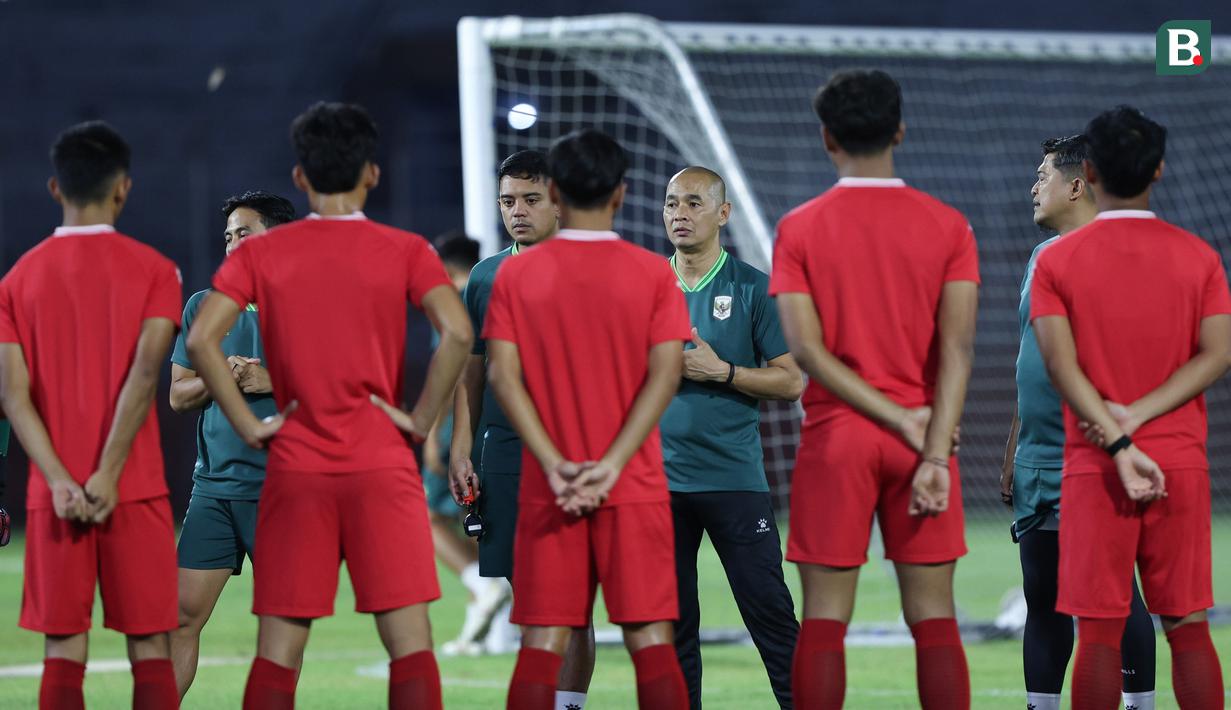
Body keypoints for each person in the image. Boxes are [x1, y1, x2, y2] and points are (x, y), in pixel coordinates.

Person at [184, 101, 472, 710]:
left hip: (296, 467)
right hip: (380, 464)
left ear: (300, 177)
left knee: (278, 648)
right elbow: (459, 334)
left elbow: (203, 338)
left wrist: (249, 425)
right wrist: (419, 421)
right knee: (410, 645)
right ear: (373, 172)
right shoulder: (404, 249)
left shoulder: (263, 255)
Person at [771, 69, 978, 709]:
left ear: (828, 138)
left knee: (827, 621)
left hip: (839, 440)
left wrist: (897, 419)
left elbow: (807, 351)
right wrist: (931, 441)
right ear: (900, 130)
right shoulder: (948, 225)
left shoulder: (800, 227)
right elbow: (957, 349)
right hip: (925, 436)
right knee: (935, 617)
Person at [486, 129, 691, 709]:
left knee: (542, 642)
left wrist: (555, 466)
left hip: (551, 489)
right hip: (634, 485)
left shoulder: (518, 275)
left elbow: (503, 377)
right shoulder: (653, 273)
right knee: (651, 640)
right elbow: (666, 375)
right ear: (622, 193)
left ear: (553, 190)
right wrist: (612, 466)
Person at [1032, 105, 1228, 709]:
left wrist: (1118, 436)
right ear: (1159, 170)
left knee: (1097, 633)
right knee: (1188, 627)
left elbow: (1060, 367)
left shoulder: (1057, 260)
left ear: (1087, 172)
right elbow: (1218, 353)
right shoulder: (1199, 256)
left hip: (1096, 464)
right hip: (1179, 463)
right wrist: (1142, 416)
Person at [0, 120, 182, 709]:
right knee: (151, 646)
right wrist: (107, 472)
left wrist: (58, 479)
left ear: (56, 188)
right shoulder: (157, 270)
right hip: (135, 487)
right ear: (123, 188)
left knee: (62, 650)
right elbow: (146, 374)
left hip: (53, 496)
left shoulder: (15, 280)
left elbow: (11, 395)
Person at [1002, 136, 1156, 710]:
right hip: (1038, 461)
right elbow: (1034, 354)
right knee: (1042, 595)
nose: (1033, 187)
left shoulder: (1123, 256)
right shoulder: (1043, 257)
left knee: (1115, 597)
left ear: (1076, 185)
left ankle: (1139, 705)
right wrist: (1015, 449)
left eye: (1042, 175)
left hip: (1094, 455)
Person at [449, 150, 598, 700]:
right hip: (505, 453)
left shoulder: (592, 266)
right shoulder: (487, 276)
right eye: (508, 201)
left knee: (572, 602)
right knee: (532, 601)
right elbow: (474, 367)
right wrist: (461, 445)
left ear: (557, 201)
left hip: (578, 452)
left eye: (531, 200)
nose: (518, 211)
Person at [659, 166, 802, 709]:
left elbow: (791, 381)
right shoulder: (644, 285)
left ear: (723, 214)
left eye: (694, 203)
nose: (679, 213)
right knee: (671, 628)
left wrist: (724, 373)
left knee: (771, 615)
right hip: (658, 486)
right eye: (672, 202)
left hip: (734, 482)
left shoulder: (752, 287)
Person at [168, 189, 295, 697]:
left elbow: (350, 392)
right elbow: (179, 396)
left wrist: (274, 380)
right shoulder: (204, 306)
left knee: (279, 633)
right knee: (178, 620)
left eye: (245, 232)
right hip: (214, 491)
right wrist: (221, 375)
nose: (232, 245)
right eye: (228, 236)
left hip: (285, 493)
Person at [423, 231, 511, 657]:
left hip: (457, 425)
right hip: (494, 422)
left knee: (426, 517)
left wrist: (431, 434)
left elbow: (454, 371)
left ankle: (482, 584)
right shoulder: (491, 289)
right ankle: (484, 598)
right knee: (480, 519)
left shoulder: (454, 301)